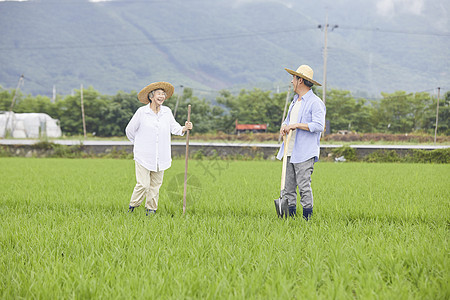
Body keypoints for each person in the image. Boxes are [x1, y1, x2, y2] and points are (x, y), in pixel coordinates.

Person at [125, 81, 193, 216]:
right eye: (159, 94)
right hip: (143, 155)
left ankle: (151, 209)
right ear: (151, 96)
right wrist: (139, 144)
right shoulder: (142, 112)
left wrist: (185, 128)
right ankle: (133, 206)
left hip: (161, 155)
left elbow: (175, 128)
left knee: (155, 185)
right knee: (143, 184)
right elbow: (130, 130)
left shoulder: (166, 112)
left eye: (163, 94)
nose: (162, 96)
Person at [277, 65, 326, 220]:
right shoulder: (294, 102)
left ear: (301, 81)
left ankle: (307, 220)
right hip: (289, 150)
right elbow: (288, 120)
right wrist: (284, 126)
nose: (291, 82)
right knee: (288, 188)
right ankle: (290, 220)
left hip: (304, 152)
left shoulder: (315, 102)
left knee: (304, 187)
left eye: (293, 78)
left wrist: (297, 125)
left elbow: (319, 125)